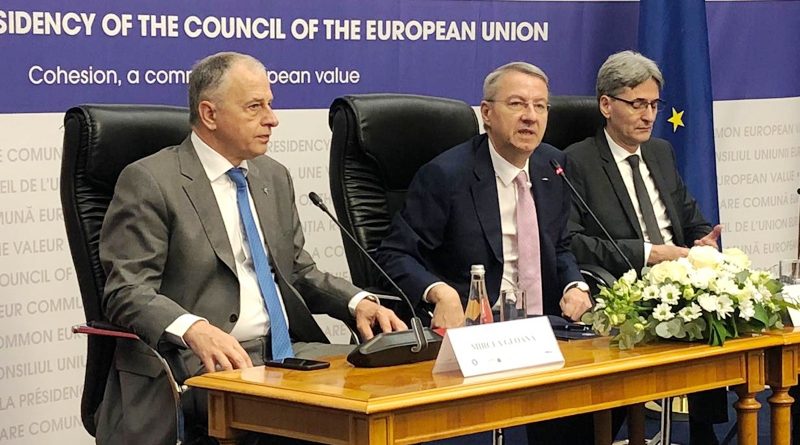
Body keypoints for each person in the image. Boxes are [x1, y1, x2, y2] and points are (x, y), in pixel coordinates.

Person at [95, 51, 407, 445]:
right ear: (209, 114)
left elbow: (297, 271)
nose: (272, 119)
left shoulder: (272, 176)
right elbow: (126, 290)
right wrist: (194, 329)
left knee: (386, 398)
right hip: (199, 364)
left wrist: (357, 301)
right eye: (255, 107)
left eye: (269, 104)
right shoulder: (151, 181)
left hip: (286, 355)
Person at [375, 62, 601, 443]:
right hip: (479, 335)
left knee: (600, 399)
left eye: (540, 106)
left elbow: (558, 244)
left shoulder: (553, 166)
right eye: (517, 104)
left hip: (545, 331)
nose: (530, 116)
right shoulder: (447, 176)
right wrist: (440, 292)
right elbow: (394, 254)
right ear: (487, 113)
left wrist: (574, 284)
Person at [563, 50, 725, 445]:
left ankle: (704, 433)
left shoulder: (661, 152)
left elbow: (692, 219)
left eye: (654, 105)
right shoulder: (577, 161)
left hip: (679, 280)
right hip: (623, 285)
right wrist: (648, 253)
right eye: (637, 104)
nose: (648, 115)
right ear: (606, 105)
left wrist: (703, 243)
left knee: (717, 306)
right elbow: (571, 242)